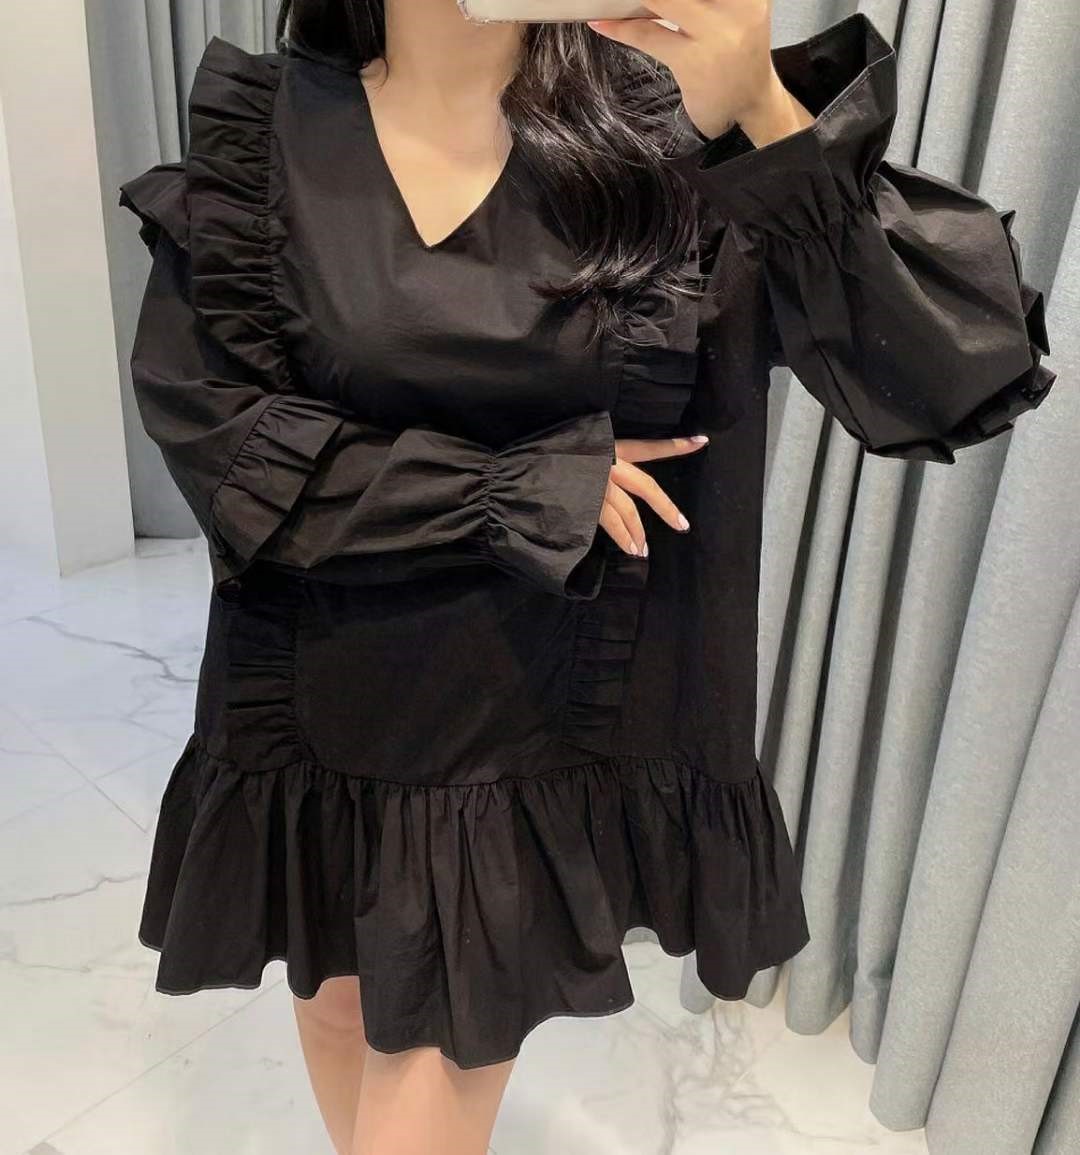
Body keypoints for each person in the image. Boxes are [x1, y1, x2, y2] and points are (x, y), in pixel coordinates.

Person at [116, 1, 1055, 1152]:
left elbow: (951, 375)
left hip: (524, 718)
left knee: (421, 1075)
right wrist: (512, 488)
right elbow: (221, 439)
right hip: (316, 688)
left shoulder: (664, 136)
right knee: (339, 1002)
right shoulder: (268, 134)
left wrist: (764, 112)